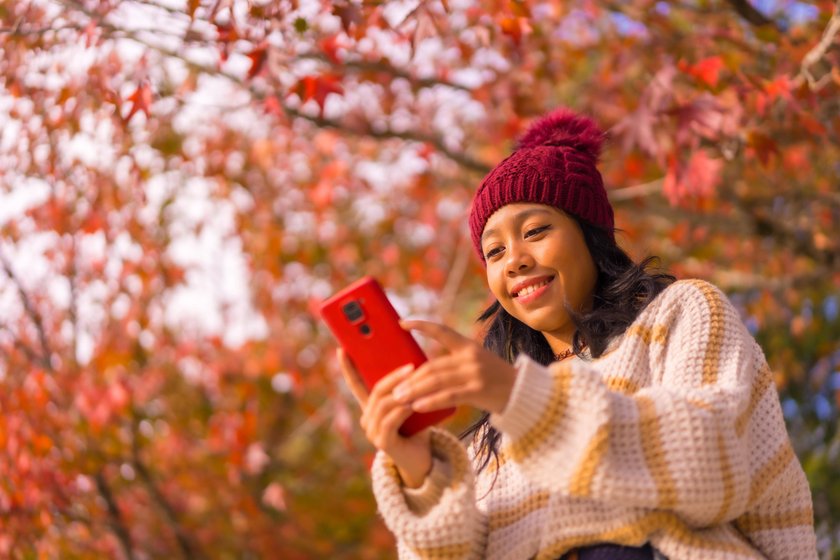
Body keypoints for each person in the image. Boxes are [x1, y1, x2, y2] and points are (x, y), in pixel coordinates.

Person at [337, 108, 818, 560]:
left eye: (536, 229)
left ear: (591, 234)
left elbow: (714, 463)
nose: (516, 260)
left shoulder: (681, 313)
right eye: (495, 251)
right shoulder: (494, 435)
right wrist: (419, 471)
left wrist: (523, 398)